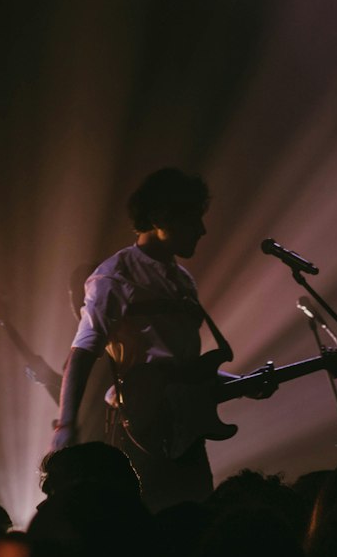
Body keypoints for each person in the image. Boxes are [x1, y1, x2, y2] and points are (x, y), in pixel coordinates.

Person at [50, 167, 248, 510]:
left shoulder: (183, 281)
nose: (202, 230)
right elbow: (81, 353)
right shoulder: (115, 276)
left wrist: (245, 383)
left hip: (187, 434)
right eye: (192, 219)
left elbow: (183, 370)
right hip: (140, 432)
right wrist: (66, 425)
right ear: (159, 217)